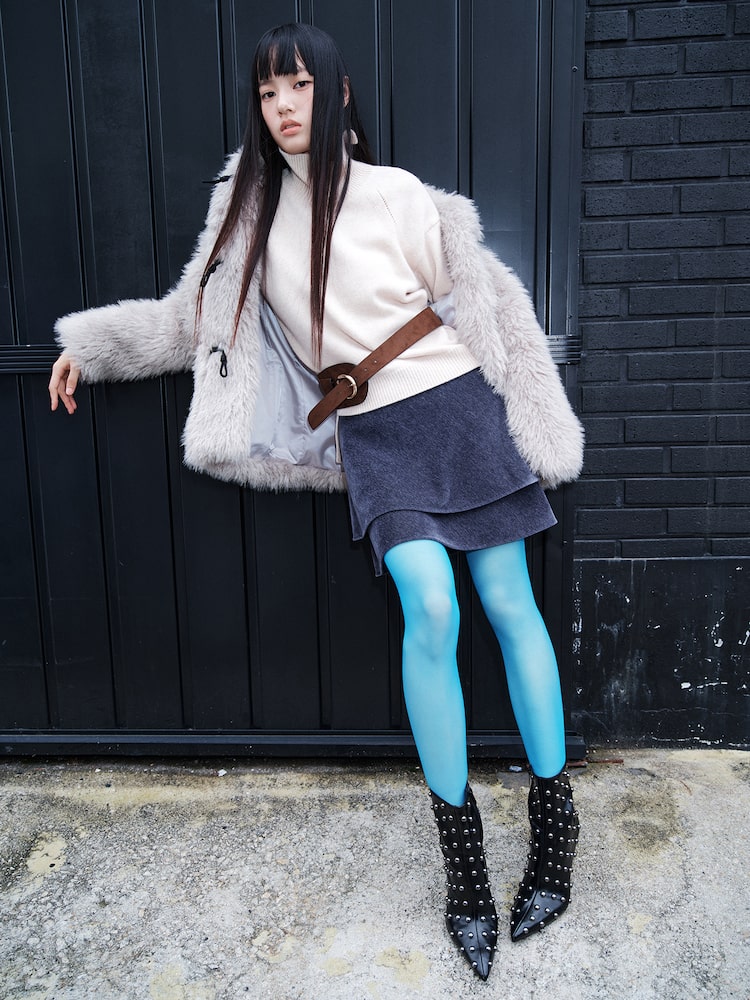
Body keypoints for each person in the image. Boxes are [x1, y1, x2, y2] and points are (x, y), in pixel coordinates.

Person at [49, 23, 583, 980]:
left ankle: (555, 829)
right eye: (266, 92)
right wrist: (90, 346)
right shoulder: (248, 216)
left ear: (334, 93)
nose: (282, 105)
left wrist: (539, 422)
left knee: (509, 604)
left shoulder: (403, 196)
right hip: (374, 430)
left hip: (458, 407)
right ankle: (464, 870)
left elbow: (492, 306)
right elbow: (190, 320)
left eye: (297, 85)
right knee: (430, 602)